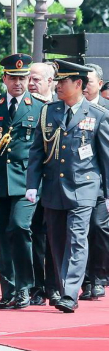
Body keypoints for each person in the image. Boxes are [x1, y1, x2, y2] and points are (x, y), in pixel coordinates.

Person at [26, 60, 109, 313]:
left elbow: (105, 158)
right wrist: (32, 184)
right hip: (54, 187)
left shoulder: (98, 115)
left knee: (77, 239)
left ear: (78, 84)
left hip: (84, 188)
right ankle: (65, 290)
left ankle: (70, 294)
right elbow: (37, 151)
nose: (58, 86)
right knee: (57, 242)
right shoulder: (49, 111)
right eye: (58, 81)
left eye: (63, 81)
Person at [0, 54, 47, 310]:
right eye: (13, 78)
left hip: (27, 181)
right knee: (2, 236)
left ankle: (24, 287)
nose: (18, 83)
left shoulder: (40, 107)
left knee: (19, 227)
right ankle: (8, 291)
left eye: (23, 78)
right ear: (4, 78)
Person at [27, 62, 59, 306]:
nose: (30, 83)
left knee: (55, 237)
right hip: (29, 182)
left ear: (50, 82)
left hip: (55, 183)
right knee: (35, 234)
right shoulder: (23, 106)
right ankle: (37, 286)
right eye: (29, 78)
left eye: (36, 79)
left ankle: (55, 286)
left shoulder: (59, 108)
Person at [79, 63, 109, 300]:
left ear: (99, 83)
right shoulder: (73, 108)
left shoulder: (106, 110)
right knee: (80, 231)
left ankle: (98, 277)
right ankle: (86, 281)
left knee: (99, 228)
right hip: (80, 182)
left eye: (88, 81)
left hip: (101, 182)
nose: (84, 86)